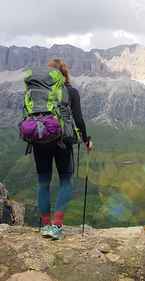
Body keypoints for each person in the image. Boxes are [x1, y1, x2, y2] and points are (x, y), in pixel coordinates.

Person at [34, 59, 93, 240]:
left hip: (39, 140)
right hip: (62, 142)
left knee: (43, 184)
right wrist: (85, 140)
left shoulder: (38, 91)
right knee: (66, 182)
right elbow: (79, 119)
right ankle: (57, 228)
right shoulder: (71, 91)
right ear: (65, 74)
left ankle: (46, 226)